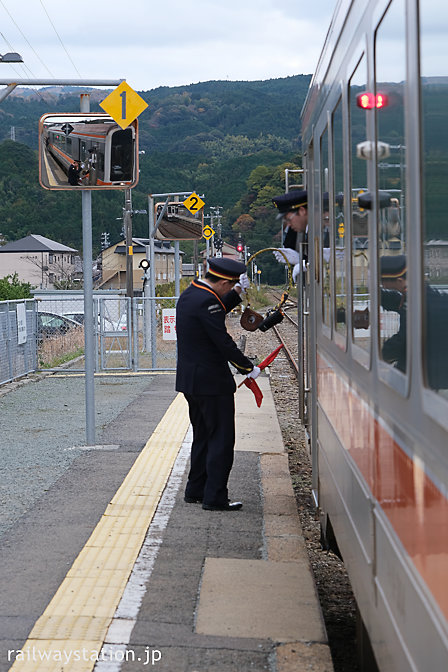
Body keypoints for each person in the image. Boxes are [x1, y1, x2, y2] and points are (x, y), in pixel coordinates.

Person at [175, 257, 260, 511]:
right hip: (212, 383)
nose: (231, 289)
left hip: (191, 382)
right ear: (223, 281)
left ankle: (196, 489)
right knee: (221, 439)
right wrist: (248, 367)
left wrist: (236, 294)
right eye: (230, 285)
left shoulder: (191, 293)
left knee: (203, 435)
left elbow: (214, 309)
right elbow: (222, 341)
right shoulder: (207, 300)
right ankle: (215, 497)